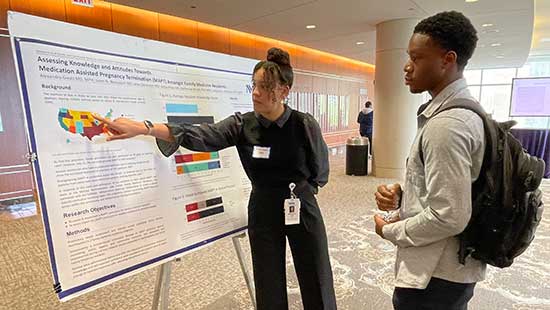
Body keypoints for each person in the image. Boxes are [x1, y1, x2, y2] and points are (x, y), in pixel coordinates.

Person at [94, 48, 337, 310]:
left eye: (265, 86)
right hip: (263, 207)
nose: (256, 93)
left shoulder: (303, 124)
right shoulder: (242, 125)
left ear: (284, 91)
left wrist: (303, 191)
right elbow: (200, 135)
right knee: (268, 281)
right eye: (254, 85)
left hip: (300, 204)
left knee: (316, 273)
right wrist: (144, 128)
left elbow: (320, 168)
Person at [373, 11, 485, 310]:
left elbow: (450, 215)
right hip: (451, 267)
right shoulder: (467, 112)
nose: (407, 67)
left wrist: (389, 230)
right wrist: (405, 193)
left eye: (417, 58)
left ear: (447, 60)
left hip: (435, 273)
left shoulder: (447, 125)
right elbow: (459, 187)